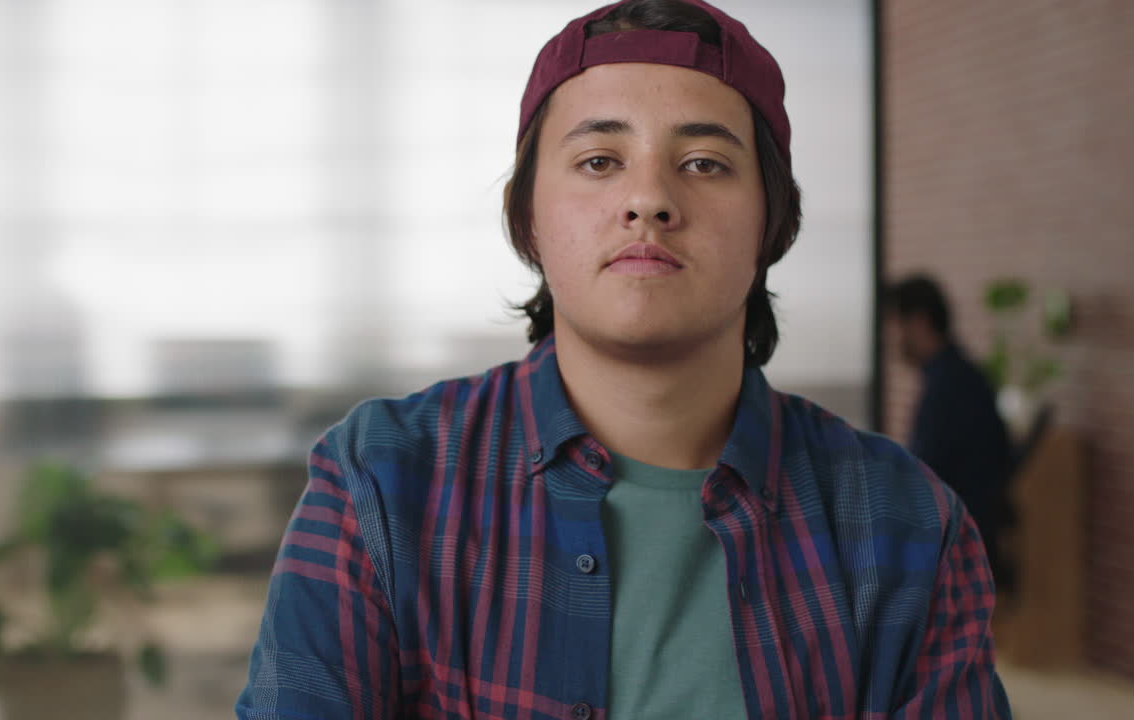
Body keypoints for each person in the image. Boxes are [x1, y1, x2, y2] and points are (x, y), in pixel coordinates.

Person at [237, 2, 1011, 718]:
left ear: (771, 225)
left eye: (705, 162)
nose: (650, 200)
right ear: (528, 219)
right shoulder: (381, 482)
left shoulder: (905, 522)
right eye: (600, 160)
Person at [887, 273, 1015, 592]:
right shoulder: (958, 376)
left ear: (917, 322)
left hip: (959, 559)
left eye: (892, 325)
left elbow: (921, 480)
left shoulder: (949, 387)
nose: (888, 338)